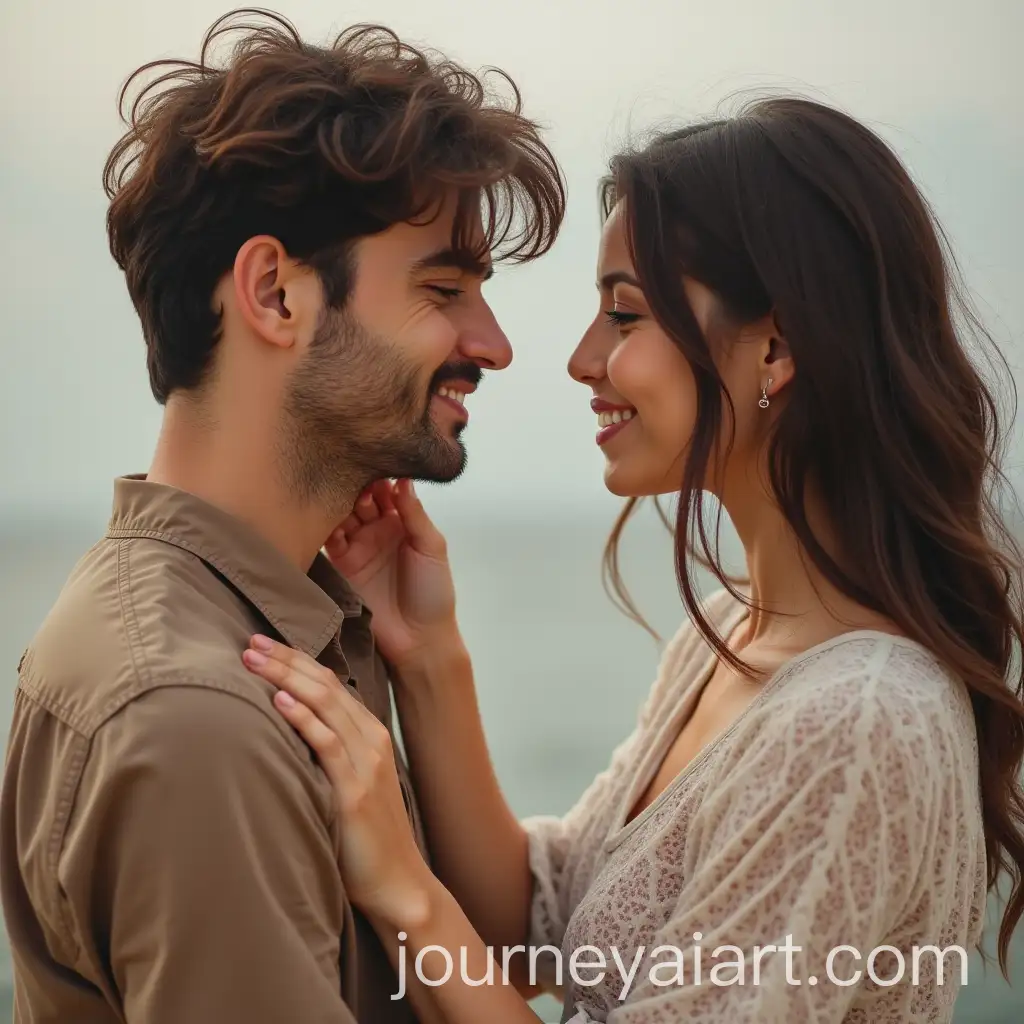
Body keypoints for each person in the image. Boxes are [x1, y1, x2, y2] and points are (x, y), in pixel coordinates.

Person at [242, 96, 1024, 1023]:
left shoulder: (854, 722)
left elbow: (480, 937)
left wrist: (403, 890)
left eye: (625, 315)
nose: (580, 359)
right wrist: (427, 653)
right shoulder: (734, 636)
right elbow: (529, 929)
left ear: (776, 346)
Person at [0, 9, 563, 1024]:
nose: (494, 344)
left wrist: (426, 658)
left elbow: (497, 952)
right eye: (445, 289)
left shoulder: (279, 626)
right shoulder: (197, 718)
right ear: (273, 293)